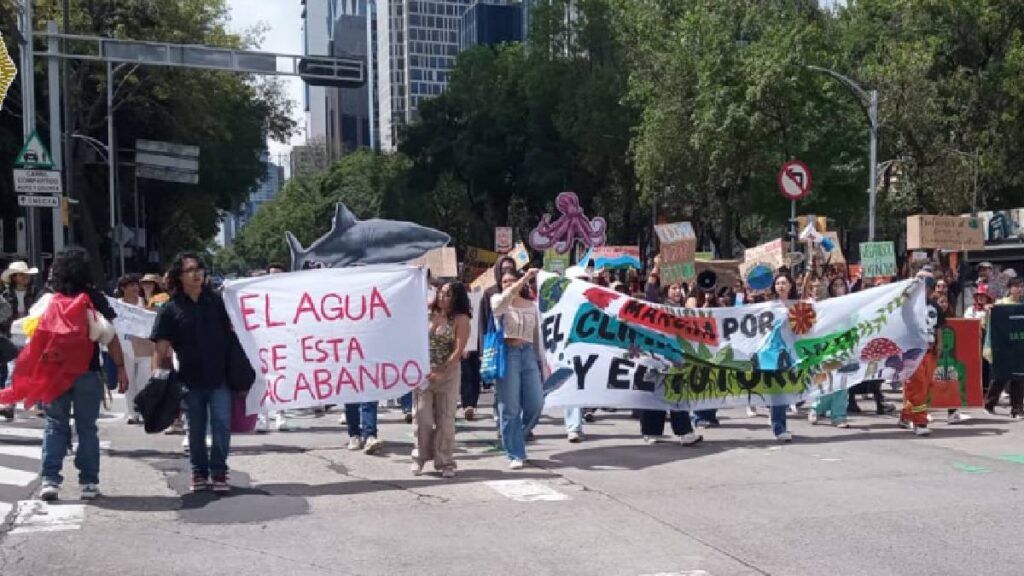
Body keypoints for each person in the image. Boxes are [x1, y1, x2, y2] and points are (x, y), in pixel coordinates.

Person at [37, 250, 128, 501]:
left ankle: (50, 479)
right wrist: (120, 368)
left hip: (55, 372)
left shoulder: (48, 298)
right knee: (87, 428)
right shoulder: (94, 297)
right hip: (87, 371)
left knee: (55, 425)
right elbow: (110, 336)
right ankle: (88, 482)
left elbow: (33, 335)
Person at [150, 253, 234, 492]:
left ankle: (219, 471)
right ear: (179, 276)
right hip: (189, 379)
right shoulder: (170, 309)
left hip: (220, 376)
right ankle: (199, 471)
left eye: (199, 269)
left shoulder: (218, 302)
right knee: (195, 428)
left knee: (221, 424)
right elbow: (160, 349)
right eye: (190, 270)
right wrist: (156, 381)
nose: (196, 274)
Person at [412, 281, 472, 478]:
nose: (442, 297)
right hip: (424, 373)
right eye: (441, 293)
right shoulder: (428, 313)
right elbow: (417, 340)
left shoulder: (461, 319)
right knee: (422, 417)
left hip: (448, 374)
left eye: (448, 294)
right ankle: (420, 457)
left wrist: (442, 371)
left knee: (445, 420)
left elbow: (458, 350)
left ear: (456, 298)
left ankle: (445, 461)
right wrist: (434, 324)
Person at [491, 268, 545, 469]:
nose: (508, 284)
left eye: (511, 280)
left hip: (528, 354)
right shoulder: (498, 301)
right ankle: (515, 452)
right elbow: (500, 304)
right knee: (510, 406)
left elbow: (538, 337)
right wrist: (523, 279)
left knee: (536, 403)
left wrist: (542, 363)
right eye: (504, 281)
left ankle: (515, 436)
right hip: (508, 354)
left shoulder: (532, 306)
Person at [808, 276, 850, 428]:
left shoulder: (853, 302)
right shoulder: (825, 305)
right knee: (824, 379)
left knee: (842, 382)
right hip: (825, 347)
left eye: (841, 284)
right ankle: (816, 408)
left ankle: (839, 416)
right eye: (835, 285)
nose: (839, 288)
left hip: (844, 346)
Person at [1, 261, 41, 408]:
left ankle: (38, 403)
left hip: (32, 334)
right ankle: (9, 404)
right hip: (12, 336)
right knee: (13, 369)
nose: (25, 278)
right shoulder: (5, 295)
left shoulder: (36, 293)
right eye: (22, 275)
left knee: (36, 369)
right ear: (14, 277)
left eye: (27, 275)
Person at [984, 277, 1024, 418]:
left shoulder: (1022, 306)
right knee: (1000, 377)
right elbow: (987, 324)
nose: (1020, 289)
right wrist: (989, 311)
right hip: (1002, 347)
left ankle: (1017, 409)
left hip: (1018, 347)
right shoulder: (1000, 305)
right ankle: (989, 404)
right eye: (1017, 286)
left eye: (1022, 286)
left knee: (1019, 377)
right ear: (1009, 288)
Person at [115, 274, 150, 425]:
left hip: (144, 347)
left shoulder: (145, 302)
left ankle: (143, 411)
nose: (135, 288)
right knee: (128, 381)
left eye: (136, 285)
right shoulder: (117, 305)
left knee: (144, 380)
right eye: (131, 285)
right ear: (123, 288)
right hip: (125, 347)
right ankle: (132, 413)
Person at [767, 272, 796, 442]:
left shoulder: (798, 305)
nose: (781, 286)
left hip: (792, 353)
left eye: (784, 283)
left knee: (784, 390)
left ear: (791, 286)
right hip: (772, 353)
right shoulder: (768, 306)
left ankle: (776, 418)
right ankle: (779, 428)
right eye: (778, 283)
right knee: (777, 390)